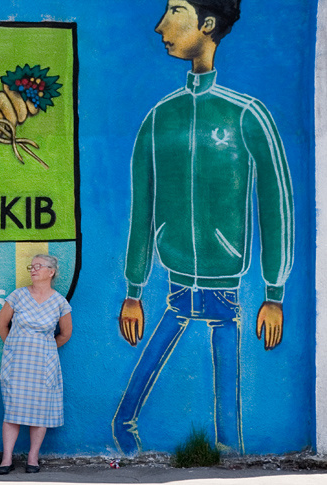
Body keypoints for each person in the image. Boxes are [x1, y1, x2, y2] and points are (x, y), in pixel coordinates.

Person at [112, 0, 294, 455]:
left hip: (225, 286)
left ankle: (229, 450)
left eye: (175, 11)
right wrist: (134, 291)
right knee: (158, 357)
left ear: (207, 24)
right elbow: (142, 209)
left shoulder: (246, 114)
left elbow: (276, 206)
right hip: (175, 282)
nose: (161, 26)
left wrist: (274, 294)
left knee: (226, 389)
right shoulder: (159, 117)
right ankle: (124, 421)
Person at [0, 254, 72, 474]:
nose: (33, 270)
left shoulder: (60, 302)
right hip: (16, 362)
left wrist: (46, 348)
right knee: (12, 409)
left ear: (51, 272)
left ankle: (33, 458)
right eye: (32, 266)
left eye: (39, 266)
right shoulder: (18, 296)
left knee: (40, 411)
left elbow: (65, 334)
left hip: (44, 364)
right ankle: (6, 459)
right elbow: (1, 323)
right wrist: (13, 345)